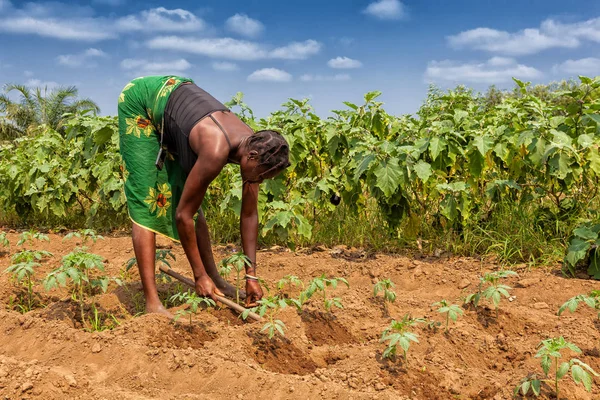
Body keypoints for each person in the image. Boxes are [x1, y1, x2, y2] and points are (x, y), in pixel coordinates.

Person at [117, 75, 290, 316]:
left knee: (190, 198)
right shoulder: (216, 150)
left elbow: (249, 214)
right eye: (261, 176)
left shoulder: (256, 145)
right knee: (147, 202)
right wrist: (198, 276)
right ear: (252, 158)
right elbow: (183, 216)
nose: (259, 181)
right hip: (141, 102)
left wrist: (251, 276)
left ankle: (215, 279)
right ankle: (152, 303)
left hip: (176, 109)